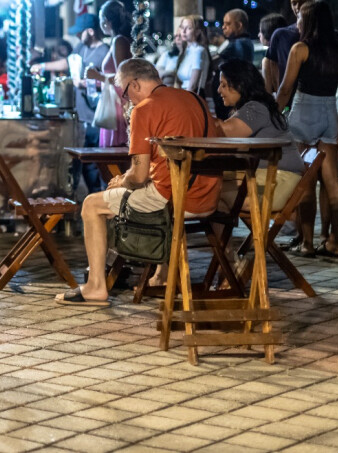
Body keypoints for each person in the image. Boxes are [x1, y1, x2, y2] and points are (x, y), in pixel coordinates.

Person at [57, 59, 220, 306]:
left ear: (134, 84)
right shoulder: (194, 99)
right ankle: (161, 272)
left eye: (124, 93)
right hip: (208, 196)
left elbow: (139, 174)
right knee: (128, 193)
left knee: (91, 205)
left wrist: (121, 180)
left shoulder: (145, 109)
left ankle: (96, 287)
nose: (126, 100)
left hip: (173, 199)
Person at [277, 0, 338, 258]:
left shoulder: (300, 48)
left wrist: (275, 114)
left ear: (308, 21)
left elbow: (286, 89)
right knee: (332, 180)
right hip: (329, 112)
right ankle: (335, 243)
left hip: (304, 113)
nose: (297, 23)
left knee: (306, 181)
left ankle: (307, 244)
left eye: (300, 18)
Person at [33, 12, 109, 194]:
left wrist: (87, 83)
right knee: (85, 163)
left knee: (97, 162)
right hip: (81, 116)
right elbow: (67, 63)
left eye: (79, 32)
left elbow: (108, 81)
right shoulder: (81, 48)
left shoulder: (104, 52)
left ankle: (101, 199)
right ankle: (93, 197)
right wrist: (43, 66)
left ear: (90, 31)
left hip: (96, 117)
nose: (76, 36)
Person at [215, 59, 305, 212]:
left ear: (240, 85)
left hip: (276, 182)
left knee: (207, 192)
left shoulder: (256, 108)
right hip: (266, 178)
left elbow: (225, 131)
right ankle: (225, 237)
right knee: (210, 188)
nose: (218, 90)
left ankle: (259, 236)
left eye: (224, 85)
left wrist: (198, 116)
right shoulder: (256, 107)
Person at [85, 0, 132, 147]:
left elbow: (122, 77)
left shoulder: (119, 41)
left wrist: (97, 76)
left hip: (119, 104)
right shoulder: (116, 41)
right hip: (114, 101)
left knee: (115, 152)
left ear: (106, 21)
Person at [264, 0, 317, 94]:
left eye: (302, 1)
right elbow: (272, 66)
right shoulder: (281, 35)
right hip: (288, 103)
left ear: (313, 1)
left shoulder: (330, 36)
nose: (297, 7)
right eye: (293, 3)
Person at [174, 15, 210, 94]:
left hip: (193, 96)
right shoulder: (187, 50)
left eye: (189, 28)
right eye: (182, 27)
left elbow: (193, 85)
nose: (183, 31)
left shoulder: (198, 51)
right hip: (185, 93)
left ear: (197, 31)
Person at [257, 13, 288, 89]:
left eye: (261, 31)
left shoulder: (268, 60)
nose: (258, 35)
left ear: (268, 32)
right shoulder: (289, 53)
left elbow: (268, 91)